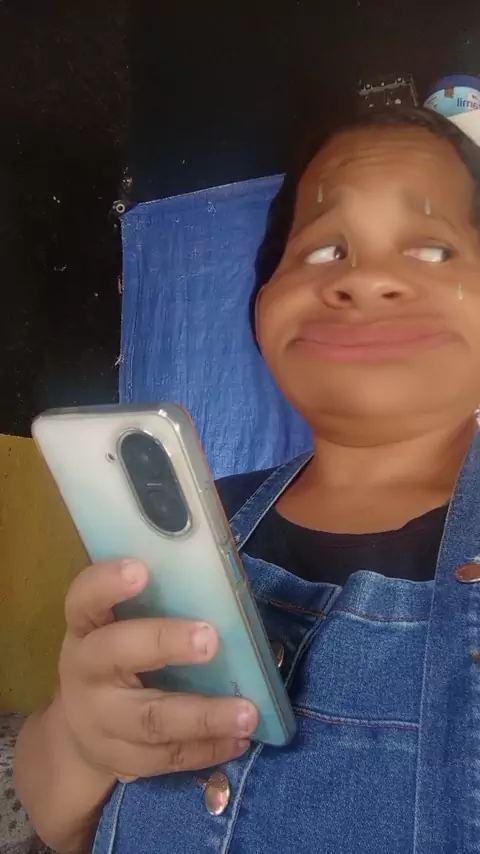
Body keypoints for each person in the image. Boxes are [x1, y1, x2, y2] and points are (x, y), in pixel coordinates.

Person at [14, 104, 480, 854]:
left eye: (431, 249)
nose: (365, 280)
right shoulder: (189, 523)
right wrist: (82, 734)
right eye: (324, 249)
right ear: (264, 305)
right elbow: (55, 817)